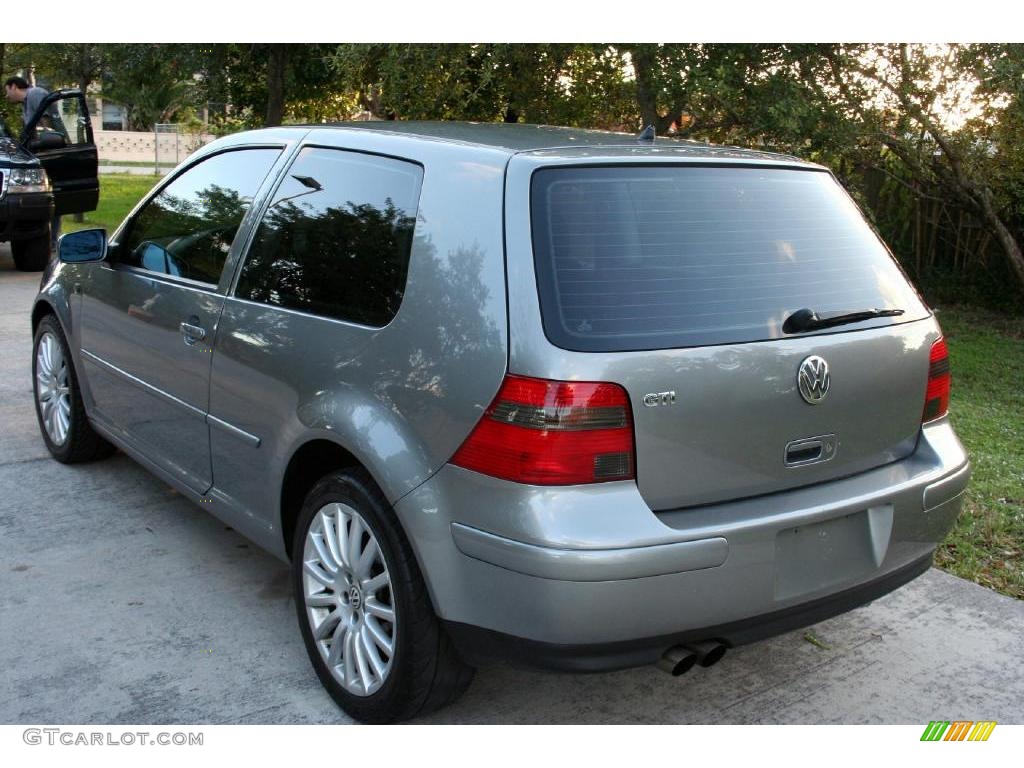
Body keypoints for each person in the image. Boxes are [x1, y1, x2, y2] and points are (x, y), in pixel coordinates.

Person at [4, 76, 62, 251]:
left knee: (50, 196)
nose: (6, 96)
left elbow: (44, 125)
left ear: (14, 86)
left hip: (50, 150)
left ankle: (52, 241)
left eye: (6, 91)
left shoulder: (35, 93)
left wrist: (41, 143)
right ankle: (51, 240)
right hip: (40, 151)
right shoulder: (27, 103)